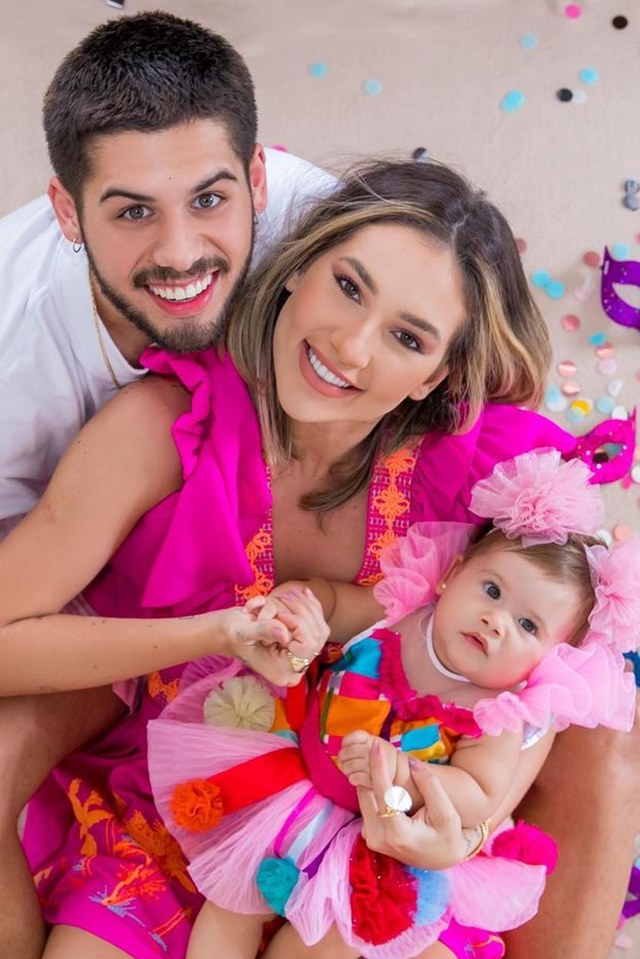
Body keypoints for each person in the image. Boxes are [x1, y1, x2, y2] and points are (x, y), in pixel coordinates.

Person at [3, 156, 580, 959]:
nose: (350, 345)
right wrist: (215, 633)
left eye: (407, 336)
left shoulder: (483, 470)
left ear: (435, 375)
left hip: (375, 830)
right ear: (298, 265)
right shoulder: (166, 427)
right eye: (348, 285)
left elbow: (568, 648)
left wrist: (472, 811)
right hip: (181, 798)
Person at [0, 12, 334, 956]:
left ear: (260, 179)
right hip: (103, 606)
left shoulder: (334, 242)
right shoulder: (15, 352)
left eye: (212, 199)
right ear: (68, 212)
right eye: (133, 210)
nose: (183, 252)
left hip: (307, 590)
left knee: (597, 733)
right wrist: (201, 637)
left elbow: (474, 355)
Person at [147, 449, 638, 959]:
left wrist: (405, 776)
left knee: (329, 936)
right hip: (296, 778)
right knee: (230, 897)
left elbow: (479, 794)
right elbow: (335, 605)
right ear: (452, 575)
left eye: (528, 626)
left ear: (546, 660)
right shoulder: (404, 611)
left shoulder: (497, 712)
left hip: (379, 835)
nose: (497, 621)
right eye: (491, 590)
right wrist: (302, 608)